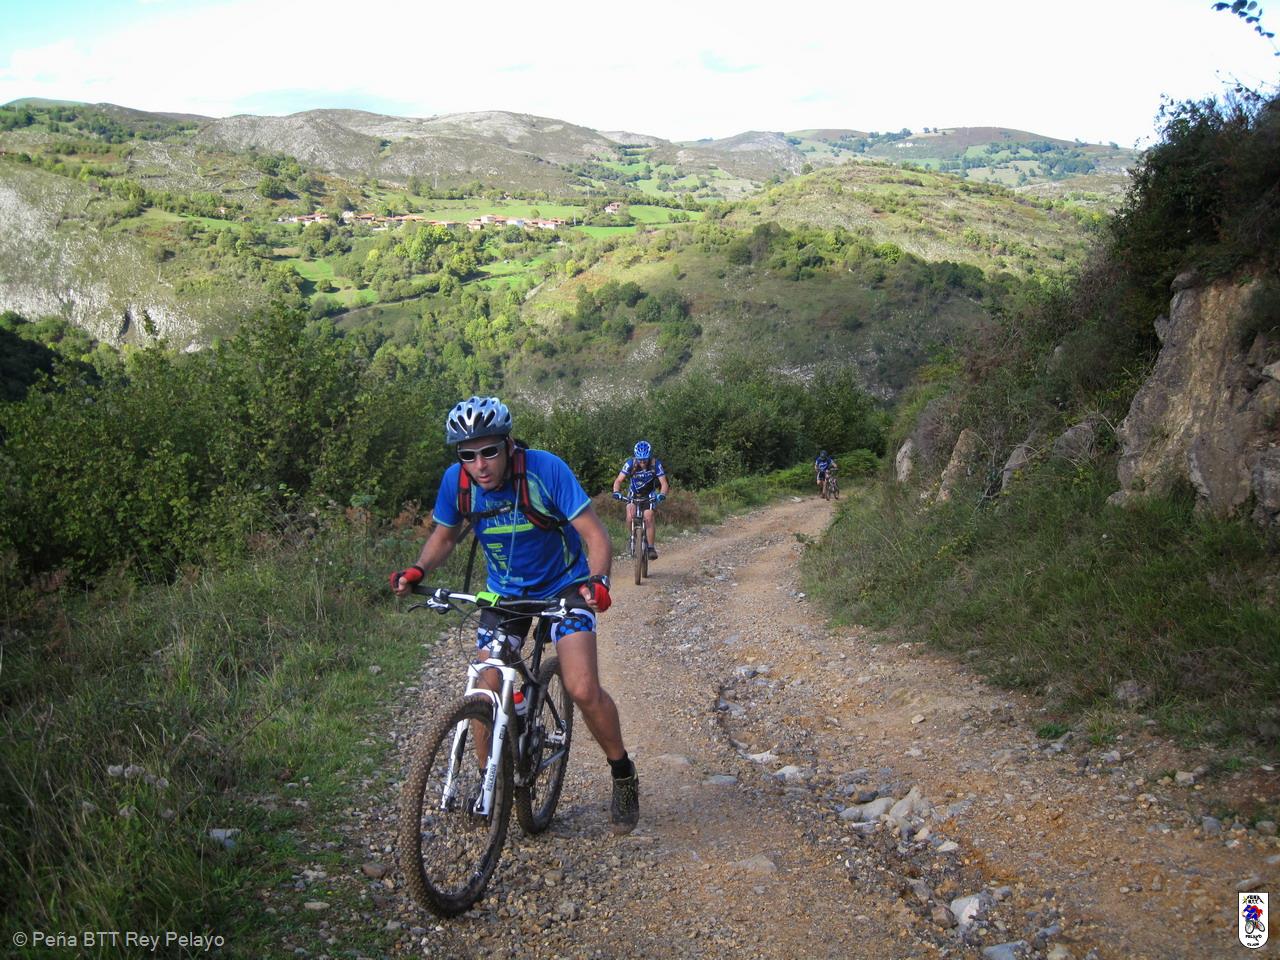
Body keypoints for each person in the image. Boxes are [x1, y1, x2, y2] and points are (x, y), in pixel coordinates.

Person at [391, 396, 639, 835]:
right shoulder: (457, 482)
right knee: (484, 687)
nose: (480, 465)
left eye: (489, 451)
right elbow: (445, 536)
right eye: (468, 455)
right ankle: (494, 785)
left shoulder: (545, 470)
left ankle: (622, 773)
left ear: (508, 445)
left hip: (564, 585)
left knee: (582, 687)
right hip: (504, 594)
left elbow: (595, 535)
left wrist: (599, 581)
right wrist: (419, 569)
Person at [611, 440, 669, 560]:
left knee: (648, 516)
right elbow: (618, 480)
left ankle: (651, 547)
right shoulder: (630, 463)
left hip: (649, 495)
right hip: (633, 494)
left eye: (645, 460)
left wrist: (662, 494)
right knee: (630, 516)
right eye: (640, 460)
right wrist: (616, 491)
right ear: (636, 457)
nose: (642, 462)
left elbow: (664, 483)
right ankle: (632, 537)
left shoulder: (655, 464)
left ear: (649, 457)